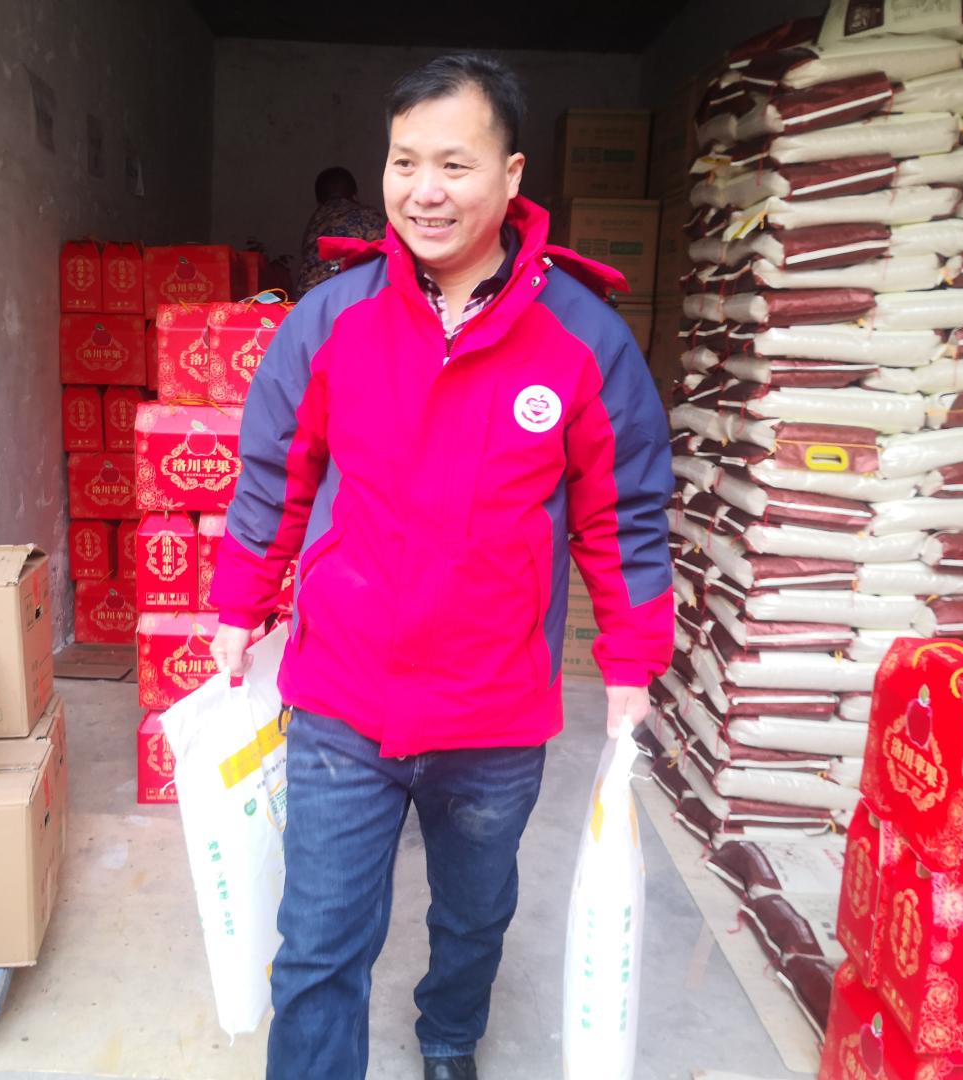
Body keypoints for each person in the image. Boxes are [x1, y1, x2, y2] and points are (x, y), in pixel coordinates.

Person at [209, 53, 673, 1080]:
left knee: (473, 917)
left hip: (493, 708)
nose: (425, 190)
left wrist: (632, 660)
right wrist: (239, 603)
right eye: (404, 162)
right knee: (318, 943)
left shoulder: (583, 339)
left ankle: (450, 1037)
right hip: (344, 695)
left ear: (510, 175)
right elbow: (276, 470)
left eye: (454, 165)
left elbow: (625, 513)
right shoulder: (332, 319)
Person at [294, 166, 388, 297]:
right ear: (355, 195)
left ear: (319, 201)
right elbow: (389, 253)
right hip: (351, 297)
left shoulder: (314, 223)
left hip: (308, 297)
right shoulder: (367, 215)